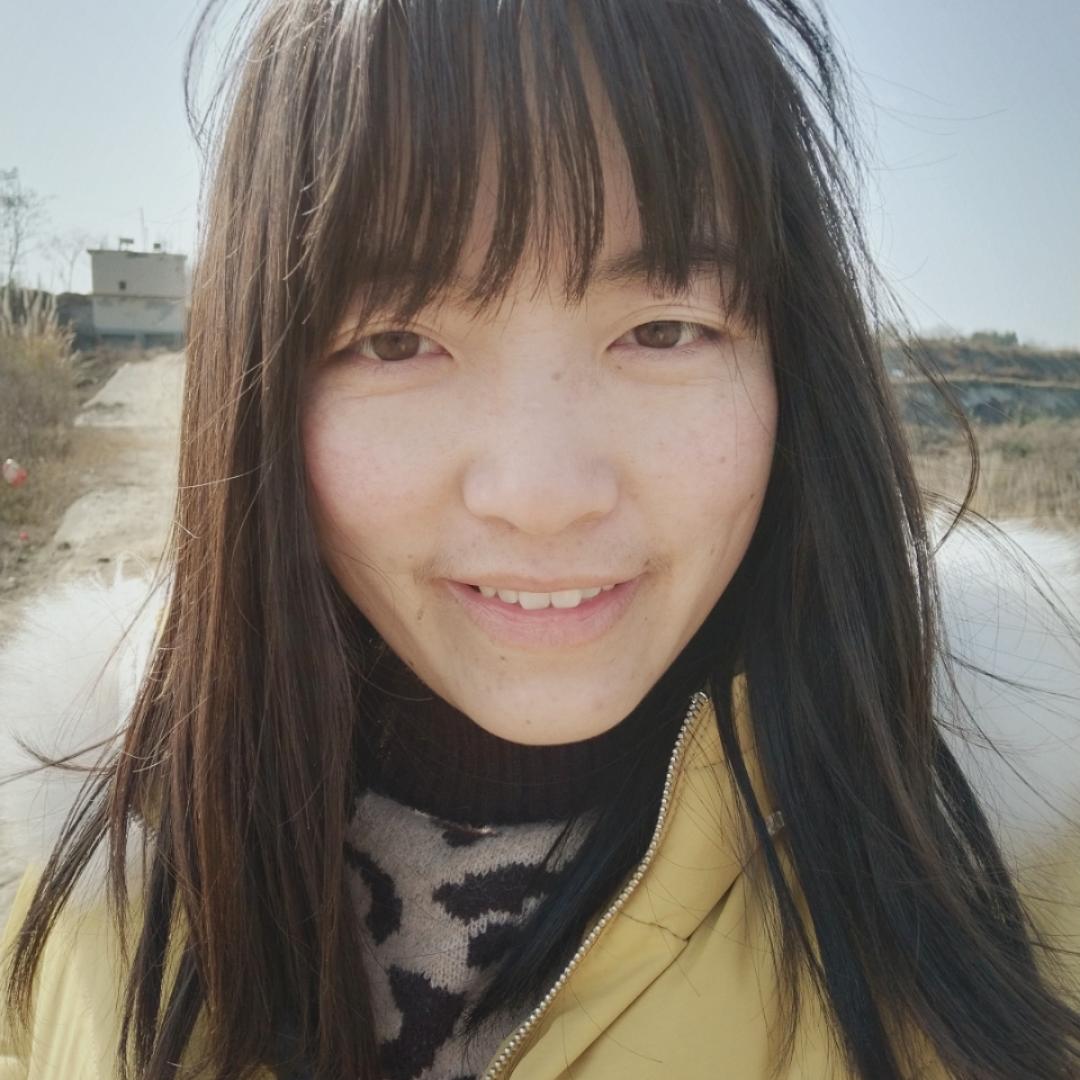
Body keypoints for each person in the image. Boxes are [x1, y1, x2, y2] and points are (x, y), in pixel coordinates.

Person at [2, 1, 1080, 1077]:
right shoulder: (68, 904)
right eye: (397, 341)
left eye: (664, 330)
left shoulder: (1024, 877)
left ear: (793, 366)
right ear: (260, 389)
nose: (543, 497)